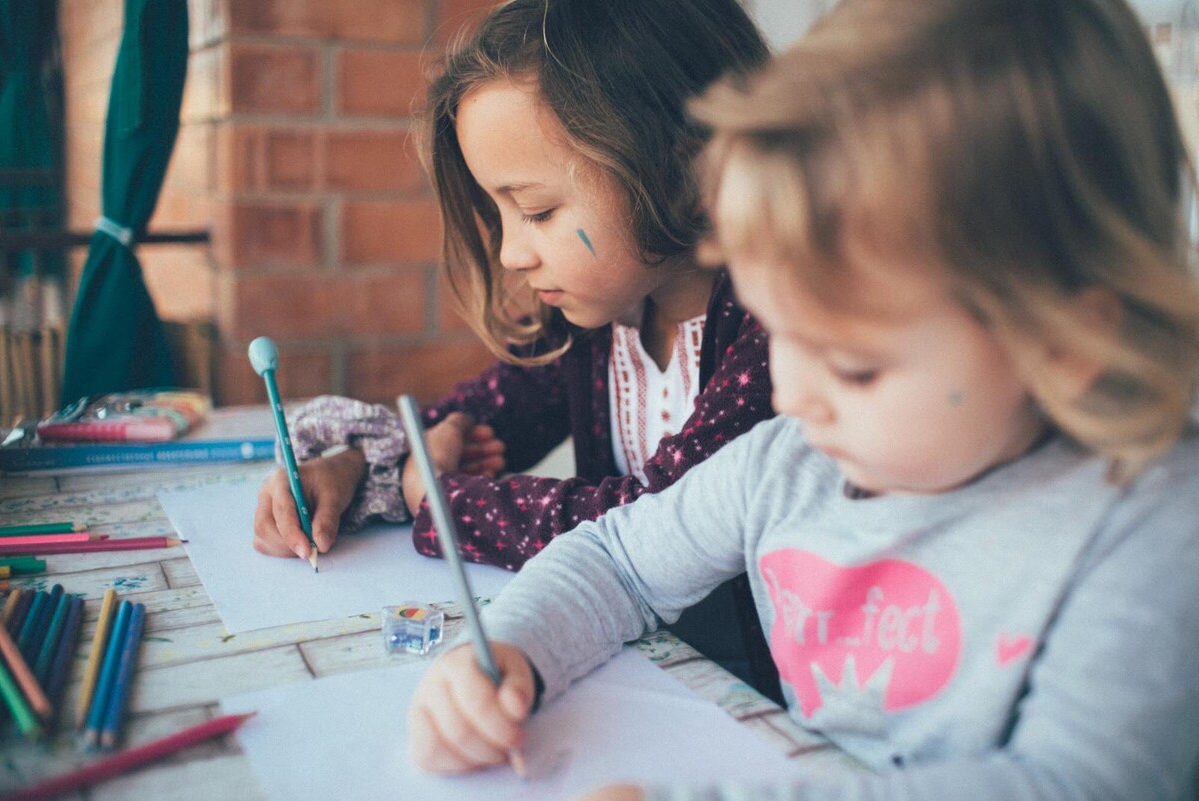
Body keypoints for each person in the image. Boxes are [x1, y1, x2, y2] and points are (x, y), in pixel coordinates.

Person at [405, 0, 1199, 798]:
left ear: (1064, 346)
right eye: (778, 330)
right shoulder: (792, 459)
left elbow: (1071, 782)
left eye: (854, 366)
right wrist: (510, 650)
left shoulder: (1150, 528)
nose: (790, 393)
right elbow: (615, 560)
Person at [252, 0, 781, 698]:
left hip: (758, 710)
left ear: (685, 177)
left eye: (536, 211)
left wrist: (442, 500)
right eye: (500, 215)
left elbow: (643, 524)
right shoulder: (598, 322)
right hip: (638, 680)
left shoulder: (782, 337)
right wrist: (352, 467)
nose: (509, 253)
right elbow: (467, 422)